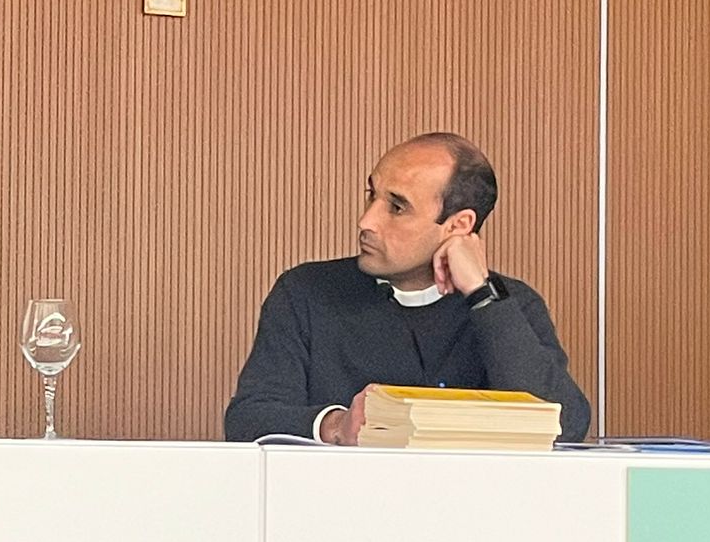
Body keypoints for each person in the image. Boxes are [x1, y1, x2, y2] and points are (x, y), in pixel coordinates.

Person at [224, 132, 590, 444]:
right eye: (372, 195)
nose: (366, 221)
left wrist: (482, 295)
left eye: (397, 207)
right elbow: (247, 419)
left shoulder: (510, 304)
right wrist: (336, 425)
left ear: (458, 225)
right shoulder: (307, 292)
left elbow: (565, 427)